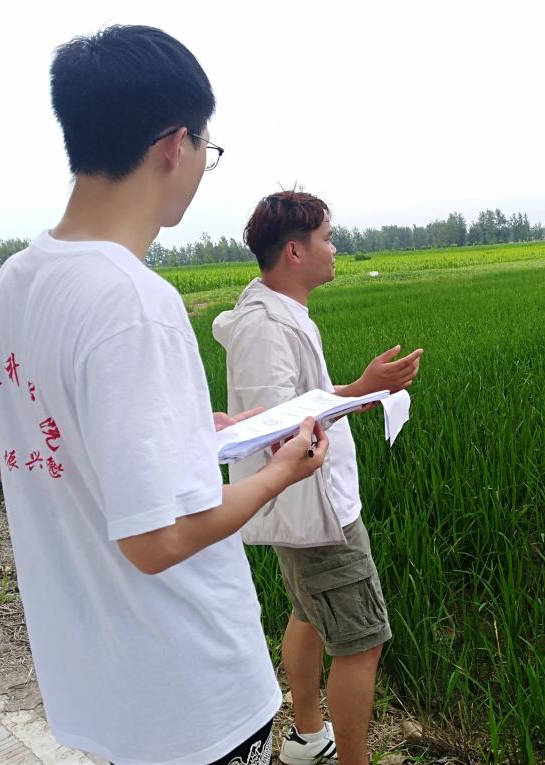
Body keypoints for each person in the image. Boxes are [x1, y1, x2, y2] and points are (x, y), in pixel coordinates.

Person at [0, 25, 328, 765]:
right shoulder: (135, 300)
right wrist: (280, 471)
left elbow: (15, 446)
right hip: (192, 695)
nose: (202, 164)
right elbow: (158, 540)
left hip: (103, 685)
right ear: (175, 145)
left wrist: (191, 430)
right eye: (207, 147)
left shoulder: (12, 282)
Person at [212, 191, 423, 765]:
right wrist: (356, 392)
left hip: (311, 505)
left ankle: (308, 737)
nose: (334, 248)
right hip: (316, 511)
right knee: (362, 643)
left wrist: (362, 392)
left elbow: (298, 404)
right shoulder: (264, 327)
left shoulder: (280, 313)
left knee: (308, 615)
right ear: (294, 251)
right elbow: (279, 427)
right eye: (327, 238)